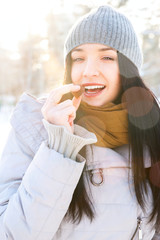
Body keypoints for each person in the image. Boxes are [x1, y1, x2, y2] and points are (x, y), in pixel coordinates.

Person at [0, 5, 160, 240]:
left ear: (128, 68)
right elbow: (11, 235)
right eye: (78, 58)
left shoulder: (152, 134)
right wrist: (60, 146)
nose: (88, 71)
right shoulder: (34, 126)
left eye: (106, 57)